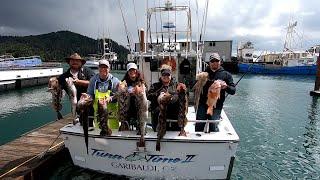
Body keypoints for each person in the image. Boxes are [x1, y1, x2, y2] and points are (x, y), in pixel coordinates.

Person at [195, 53, 236, 132]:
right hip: (202, 105)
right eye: (212, 61)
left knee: (214, 128)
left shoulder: (226, 75)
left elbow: (233, 90)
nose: (214, 62)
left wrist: (226, 86)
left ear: (220, 62)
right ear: (209, 62)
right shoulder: (203, 74)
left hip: (217, 106)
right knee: (198, 126)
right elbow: (194, 86)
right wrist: (198, 80)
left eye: (216, 61)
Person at [58, 53, 95, 124]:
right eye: (72, 60)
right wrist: (53, 82)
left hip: (89, 104)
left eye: (77, 61)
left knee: (91, 123)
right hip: (76, 105)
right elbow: (57, 86)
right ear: (69, 62)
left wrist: (79, 82)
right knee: (82, 124)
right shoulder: (64, 76)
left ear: (81, 62)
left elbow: (95, 82)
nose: (75, 62)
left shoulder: (87, 71)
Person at [147, 65, 186, 132]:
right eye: (164, 74)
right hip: (158, 117)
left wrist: (183, 90)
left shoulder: (176, 85)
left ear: (171, 75)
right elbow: (149, 96)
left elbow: (181, 97)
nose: (166, 77)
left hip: (174, 117)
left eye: (168, 75)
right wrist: (159, 94)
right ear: (161, 75)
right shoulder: (155, 86)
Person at [86, 59, 120, 129]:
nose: (103, 69)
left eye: (105, 67)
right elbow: (90, 94)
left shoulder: (115, 81)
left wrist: (111, 98)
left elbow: (119, 94)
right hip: (99, 113)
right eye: (101, 67)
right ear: (98, 68)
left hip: (112, 114)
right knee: (100, 130)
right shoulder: (93, 80)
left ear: (109, 69)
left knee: (113, 131)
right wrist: (87, 97)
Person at [122, 62, 147, 128]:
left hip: (139, 107)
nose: (132, 72)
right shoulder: (124, 82)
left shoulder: (141, 82)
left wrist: (138, 92)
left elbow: (146, 92)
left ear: (137, 71)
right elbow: (121, 92)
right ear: (128, 72)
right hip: (128, 108)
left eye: (134, 70)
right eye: (130, 70)